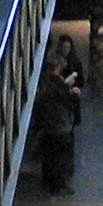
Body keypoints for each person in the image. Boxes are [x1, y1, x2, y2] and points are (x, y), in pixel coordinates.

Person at [35, 56, 80, 194]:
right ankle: (58, 186)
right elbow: (65, 101)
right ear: (58, 67)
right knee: (59, 157)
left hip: (48, 124)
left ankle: (48, 182)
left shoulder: (44, 82)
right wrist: (71, 92)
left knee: (49, 156)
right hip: (59, 125)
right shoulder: (56, 84)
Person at [52, 33, 83, 125]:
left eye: (68, 48)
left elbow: (81, 79)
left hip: (70, 88)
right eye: (64, 47)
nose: (66, 50)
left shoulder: (75, 62)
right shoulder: (55, 61)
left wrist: (73, 84)